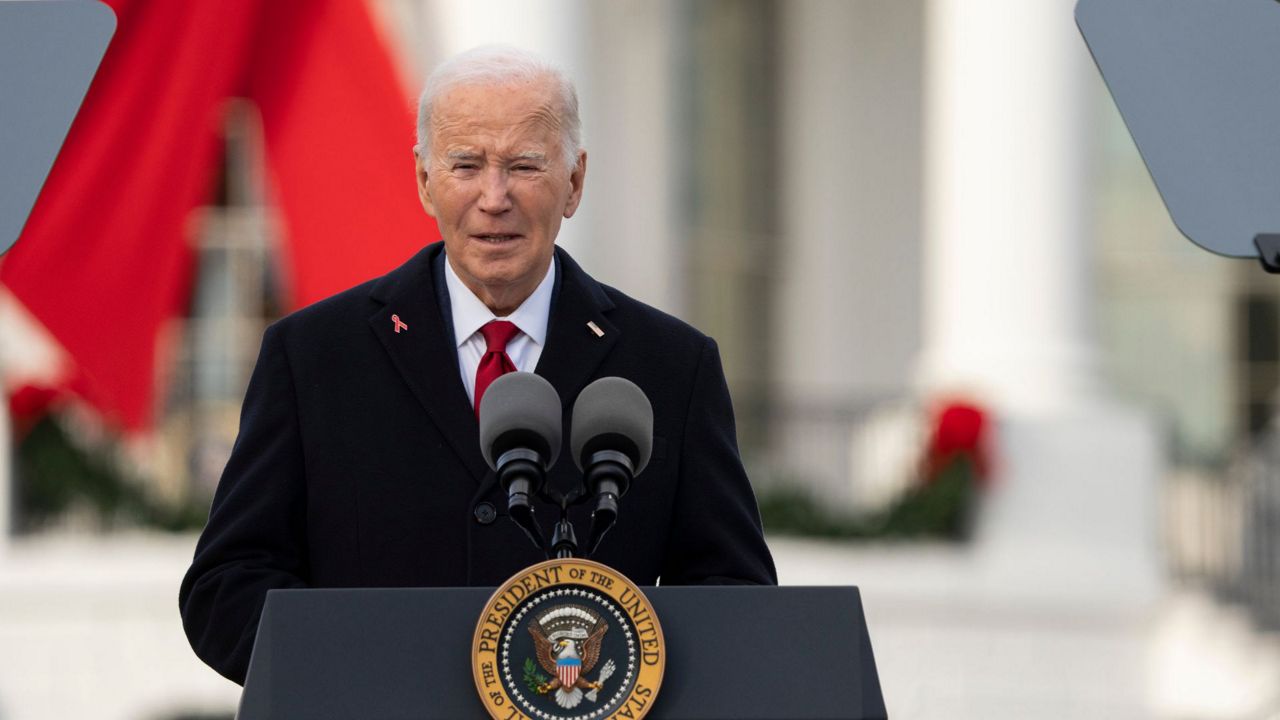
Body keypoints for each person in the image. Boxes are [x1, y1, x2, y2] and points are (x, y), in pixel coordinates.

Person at [179, 45, 776, 685]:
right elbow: (227, 586)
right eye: (466, 165)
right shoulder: (314, 355)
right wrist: (362, 679)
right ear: (423, 180)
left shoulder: (671, 366)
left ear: (575, 182)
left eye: (524, 165)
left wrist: (614, 684)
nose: (495, 198)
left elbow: (733, 596)